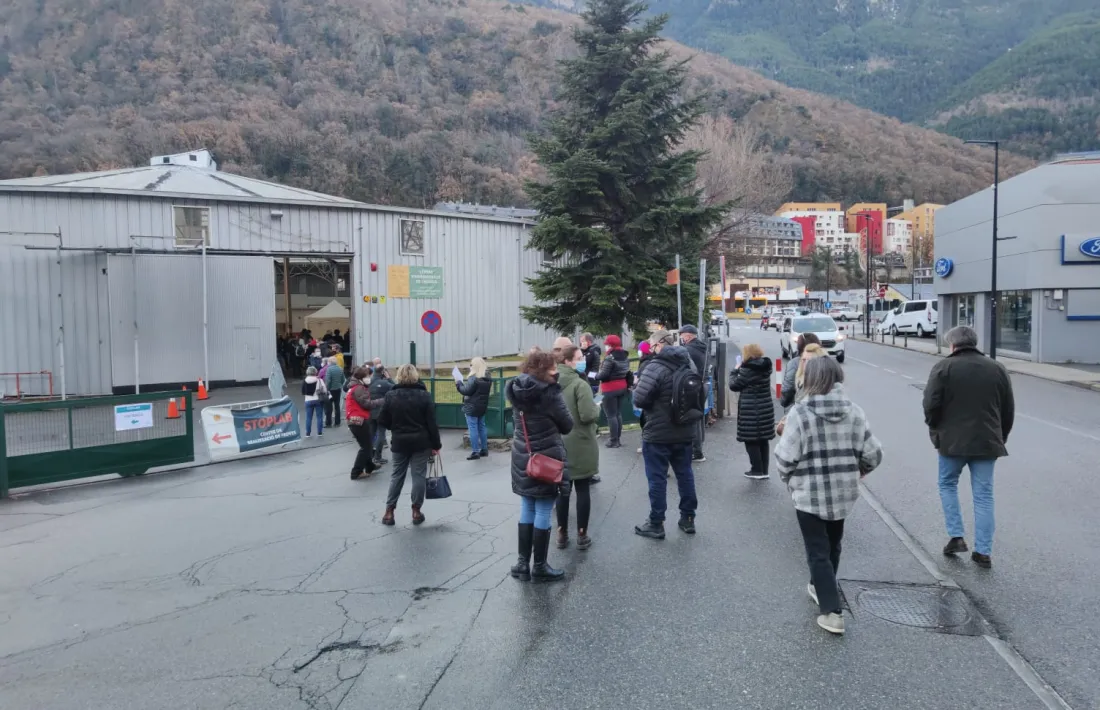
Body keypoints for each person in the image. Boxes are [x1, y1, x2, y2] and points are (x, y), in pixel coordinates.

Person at [775, 357, 883, 635]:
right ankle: (817, 585)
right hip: (843, 492)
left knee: (817, 550)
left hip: (809, 493)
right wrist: (859, 470)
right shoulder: (854, 411)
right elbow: (873, 454)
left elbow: (785, 458)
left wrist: (789, 480)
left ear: (809, 379)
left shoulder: (799, 414)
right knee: (833, 544)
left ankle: (832, 612)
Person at [922, 325, 1014, 568]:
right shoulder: (997, 368)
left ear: (953, 345)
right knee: (984, 496)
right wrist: (1000, 436)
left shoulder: (944, 367)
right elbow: (1008, 409)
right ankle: (983, 551)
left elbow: (931, 404)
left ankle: (956, 536)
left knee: (947, 484)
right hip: (987, 441)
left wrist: (935, 428)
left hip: (951, 441)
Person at [507, 351, 573, 583]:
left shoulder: (515, 390)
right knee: (544, 509)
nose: (556, 370)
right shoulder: (550, 393)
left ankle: (522, 564)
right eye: (553, 367)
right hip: (546, 458)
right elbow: (567, 425)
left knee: (527, 505)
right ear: (545, 369)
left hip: (523, 456)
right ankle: (540, 566)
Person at [631, 330, 698, 540]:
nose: (651, 350)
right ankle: (688, 519)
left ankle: (656, 522)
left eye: (652, 346)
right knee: (685, 474)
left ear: (659, 344)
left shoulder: (655, 367)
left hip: (658, 433)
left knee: (657, 479)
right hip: (685, 430)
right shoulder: (688, 364)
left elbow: (640, 400)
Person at [377, 364, 442, 527]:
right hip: (421, 441)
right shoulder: (425, 396)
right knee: (418, 476)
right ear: (416, 376)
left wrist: (396, 427)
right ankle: (416, 510)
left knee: (396, 475)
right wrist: (436, 445)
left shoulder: (391, 395)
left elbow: (382, 420)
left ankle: (389, 511)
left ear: (399, 376)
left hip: (400, 441)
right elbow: (432, 423)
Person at [555, 345, 600, 550]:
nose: (582, 360)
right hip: (580, 441)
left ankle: (562, 533)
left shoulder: (551, 382)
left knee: (562, 491)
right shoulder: (579, 384)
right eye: (579, 357)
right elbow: (587, 415)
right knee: (582, 489)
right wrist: (596, 408)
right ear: (568, 361)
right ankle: (582, 534)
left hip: (557, 443)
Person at [729, 343, 776, 480]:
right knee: (763, 440)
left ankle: (756, 470)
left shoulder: (748, 369)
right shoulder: (765, 366)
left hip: (751, 410)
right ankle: (764, 470)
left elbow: (734, 385)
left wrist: (735, 370)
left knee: (751, 440)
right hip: (765, 408)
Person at [345, 366, 382, 480]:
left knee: (367, 445)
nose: (369, 378)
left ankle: (369, 466)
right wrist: (381, 401)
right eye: (367, 376)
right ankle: (356, 472)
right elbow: (366, 404)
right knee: (366, 447)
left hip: (355, 420)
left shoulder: (353, 387)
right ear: (361, 377)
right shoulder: (359, 388)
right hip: (359, 420)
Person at [679, 325, 709, 463]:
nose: (681, 338)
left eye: (682, 335)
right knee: (699, 416)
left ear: (689, 336)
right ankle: (699, 446)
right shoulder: (702, 347)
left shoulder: (688, 350)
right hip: (703, 384)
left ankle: (697, 452)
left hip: (694, 386)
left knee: (693, 419)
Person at [597, 334, 631, 448]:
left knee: (611, 415)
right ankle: (618, 439)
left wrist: (596, 375)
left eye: (606, 344)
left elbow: (604, 374)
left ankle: (613, 440)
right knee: (618, 414)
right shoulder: (625, 356)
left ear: (611, 345)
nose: (605, 346)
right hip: (622, 387)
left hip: (610, 389)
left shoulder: (609, 357)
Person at [457, 357, 493, 460]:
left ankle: (475, 451)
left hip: (472, 407)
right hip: (482, 406)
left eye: (471, 364)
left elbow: (466, 391)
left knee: (473, 428)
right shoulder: (488, 378)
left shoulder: (474, 378)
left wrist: (458, 383)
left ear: (475, 366)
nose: (470, 366)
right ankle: (484, 449)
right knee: (481, 427)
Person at [780, 334, 821, 408]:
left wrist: (784, 402)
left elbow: (788, 388)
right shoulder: (826, 361)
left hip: (798, 408)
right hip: (823, 406)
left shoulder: (795, 363)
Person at [369, 365, 394, 466]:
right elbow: (396, 388)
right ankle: (377, 457)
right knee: (381, 434)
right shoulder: (385, 383)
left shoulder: (368, 382)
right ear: (383, 372)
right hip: (381, 412)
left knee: (371, 434)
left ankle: (369, 456)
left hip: (370, 411)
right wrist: (389, 378)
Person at [323, 356, 346, 428]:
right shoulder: (340, 369)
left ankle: (328, 423)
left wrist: (327, 389)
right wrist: (339, 385)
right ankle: (337, 422)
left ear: (329, 362)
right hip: (338, 389)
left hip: (330, 390)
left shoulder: (329, 369)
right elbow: (343, 380)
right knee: (337, 406)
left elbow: (328, 380)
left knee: (328, 407)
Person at [302, 366, 324, 438]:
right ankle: (319, 432)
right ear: (315, 372)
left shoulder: (305, 381)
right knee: (319, 417)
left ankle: (308, 433)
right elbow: (325, 390)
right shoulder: (319, 380)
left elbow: (303, 391)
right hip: (318, 399)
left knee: (308, 418)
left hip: (308, 400)